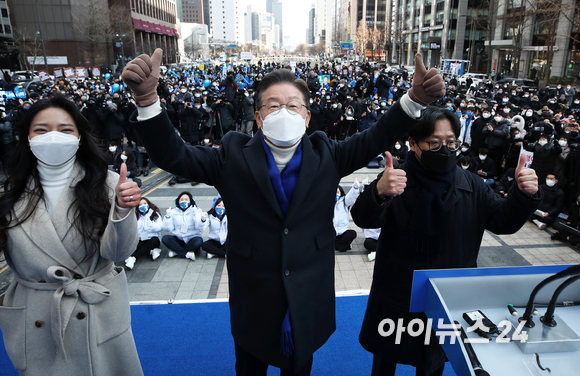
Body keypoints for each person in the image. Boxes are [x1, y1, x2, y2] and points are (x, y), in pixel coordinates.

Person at [122, 49, 445, 375]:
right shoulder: (231, 156)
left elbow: (376, 136)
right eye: (274, 106)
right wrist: (148, 99)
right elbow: (174, 155)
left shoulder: (328, 155)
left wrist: (414, 99)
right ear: (259, 117)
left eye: (293, 106)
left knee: (299, 368)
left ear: (306, 117)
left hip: (306, 297)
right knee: (249, 367)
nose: (284, 112)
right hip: (253, 297)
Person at [351, 106, 541, 376]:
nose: (445, 149)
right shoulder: (396, 181)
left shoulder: (472, 185)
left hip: (448, 293)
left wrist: (522, 195)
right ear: (413, 144)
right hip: (397, 292)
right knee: (386, 358)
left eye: (451, 142)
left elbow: (503, 223)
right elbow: (362, 218)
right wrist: (379, 192)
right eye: (435, 143)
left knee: (433, 361)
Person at [0, 94, 143, 375]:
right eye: (41, 130)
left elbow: (119, 254)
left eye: (65, 130)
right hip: (37, 313)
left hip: (95, 312)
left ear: (80, 137)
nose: (53, 137)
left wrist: (123, 210)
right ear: (27, 138)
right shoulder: (8, 193)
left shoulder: (109, 183)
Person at [162, 191, 204, 260]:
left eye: (186, 199)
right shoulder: (173, 212)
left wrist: (196, 214)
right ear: (178, 201)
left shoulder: (196, 210)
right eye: (181, 199)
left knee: (198, 241)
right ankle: (186, 253)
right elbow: (168, 229)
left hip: (192, 238)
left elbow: (200, 227)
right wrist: (168, 217)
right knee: (165, 238)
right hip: (179, 238)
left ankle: (176, 252)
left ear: (191, 201)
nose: (183, 201)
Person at [125, 197, 163, 269]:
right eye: (140, 204)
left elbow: (160, 228)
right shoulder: (135, 215)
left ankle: (134, 258)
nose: (143, 206)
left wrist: (152, 225)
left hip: (152, 239)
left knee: (154, 240)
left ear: (148, 204)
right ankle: (151, 251)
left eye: (145, 203)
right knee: (135, 244)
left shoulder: (155, 214)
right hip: (140, 239)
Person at [334, 180, 361, 252]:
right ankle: (340, 245)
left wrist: (355, 188)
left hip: (342, 231)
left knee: (352, 234)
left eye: (337, 192)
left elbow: (350, 197)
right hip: (330, 232)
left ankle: (335, 245)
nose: (336, 194)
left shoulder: (343, 202)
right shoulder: (326, 203)